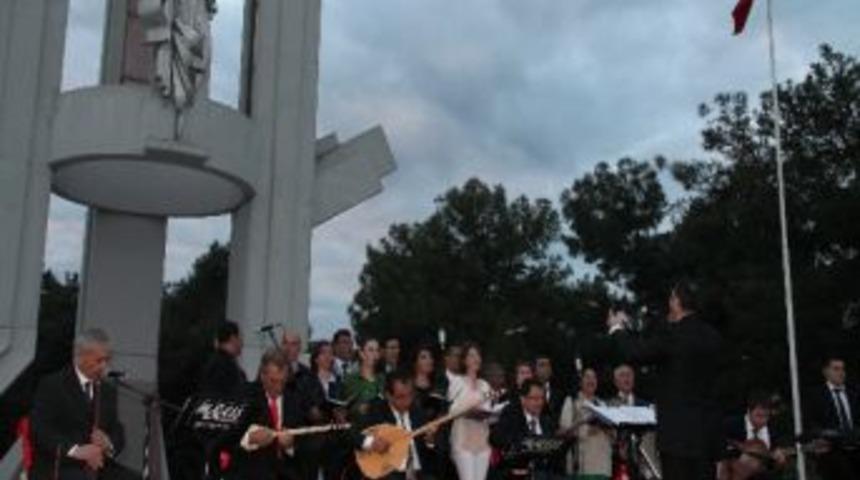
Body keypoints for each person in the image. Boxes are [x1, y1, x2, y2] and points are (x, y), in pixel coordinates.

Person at [607, 280, 723, 480]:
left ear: (676, 302)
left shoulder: (673, 335)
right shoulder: (713, 337)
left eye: (671, 298)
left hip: (677, 439)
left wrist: (617, 328)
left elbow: (634, 353)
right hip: (707, 438)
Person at [30, 328, 126, 480]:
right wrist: (77, 451)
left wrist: (109, 444)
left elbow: (117, 428)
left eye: (107, 360)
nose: (104, 366)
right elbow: (41, 431)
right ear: (80, 356)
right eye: (99, 360)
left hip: (98, 465)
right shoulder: (53, 385)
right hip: (60, 465)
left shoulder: (108, 390)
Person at [352, 371, 439, 480]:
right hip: (391, 473)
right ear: (388, 395)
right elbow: (352, 435)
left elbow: (428, 451)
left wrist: (430, 441)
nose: (407, 401)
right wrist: (371, 443)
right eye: (401, 397)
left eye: (410, 395)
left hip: (419, 473)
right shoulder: (377, 411)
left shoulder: (418, 412)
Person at [232, 349, 302, 480]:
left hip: (286, 473)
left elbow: (304, 442)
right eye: (273, 381)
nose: (278, 388)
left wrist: (290, 446)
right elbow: (226, 437)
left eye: (282, 382)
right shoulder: (245, 396)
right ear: (262, 375)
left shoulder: (295, 400)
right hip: (252, 471)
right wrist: (249, 438)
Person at [490, 379, 560, 480]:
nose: (539, 402)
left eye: (542, 398)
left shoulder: (547, 421)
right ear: (523, 399)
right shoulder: (511, 416)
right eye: (535, 399)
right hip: (516, 474)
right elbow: (495, 438)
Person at [805, 355, 859, 479]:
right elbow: (811, 421)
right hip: (831, 453)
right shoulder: (816, 395)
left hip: (856, 450)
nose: (841, 373)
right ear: (826, 372)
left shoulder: (854, 392)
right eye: (836, 369)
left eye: (842, 369)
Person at [717, 393, 789, 480]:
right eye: (758, 416)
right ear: (749, 412)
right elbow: (718, 449)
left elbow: (772, 465)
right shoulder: (731, 425)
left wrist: (779, 462)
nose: (762, 420)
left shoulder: (773, 430)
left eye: (766, 416)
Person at [448, 343, 492, 480]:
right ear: (464, 360)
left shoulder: (485, 385)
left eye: (478, 355)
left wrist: (485, 413)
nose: (476, 358)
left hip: (483, 442)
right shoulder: (457, 382)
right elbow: (452, 411)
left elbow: (489, 412)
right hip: (462, 441)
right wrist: (470, 409)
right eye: (472, 355)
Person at [607, 363, 660, 479]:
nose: (626, 378)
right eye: (622, 375)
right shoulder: (608, 406)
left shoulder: (646, 406)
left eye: (629, 375)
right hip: (616, 465)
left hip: (643, 465)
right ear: (615, 382)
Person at [559, 367, 611, 480]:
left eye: (594, 377)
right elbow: (564, 432)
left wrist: (606, 428)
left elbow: (613, 436)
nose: (591, 380)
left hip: (603, 466)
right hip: (581, 465)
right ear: (580, 381)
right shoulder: (571, 401)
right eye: (587, 377)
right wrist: (584, 423)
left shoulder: (603, 404)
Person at [199, 320, 247, 399]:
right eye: (240, 338)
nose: (242, 343)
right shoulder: (226, 366)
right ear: (233, 338)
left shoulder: (213, 361)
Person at [343, 337, 384, 419]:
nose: (375, 354)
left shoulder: (383, 379)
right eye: (371, 350)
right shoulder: (351, 380)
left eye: (377, 350)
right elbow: (347, 406)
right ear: (361, 353)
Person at [534, 355, 566, 423]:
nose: (546, 368)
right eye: (542, 365)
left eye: (548, 365)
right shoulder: (530, 393)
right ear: (535, 370)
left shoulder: (560, 393)